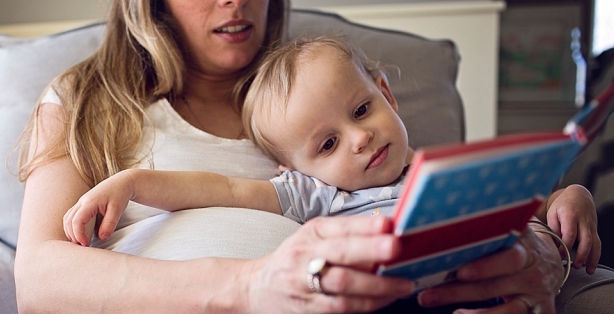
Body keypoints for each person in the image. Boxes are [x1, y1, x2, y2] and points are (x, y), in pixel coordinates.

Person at [3, 0, 614, 314]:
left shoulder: (319, 83)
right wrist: (255, 286)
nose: (235, 2)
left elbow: (491, 203)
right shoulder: (89, 97)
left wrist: (544, 245)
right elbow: (41, 281)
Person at [62, 36, 601, 278]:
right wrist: (132, 183)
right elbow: (223, 189)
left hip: (482, 309)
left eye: (362, 110)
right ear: (297, 169)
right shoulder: (320, 194)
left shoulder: (451, 171)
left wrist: (568, 197)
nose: (359, 138)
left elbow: (525, 197)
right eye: (327, 144)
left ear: (387, 95)